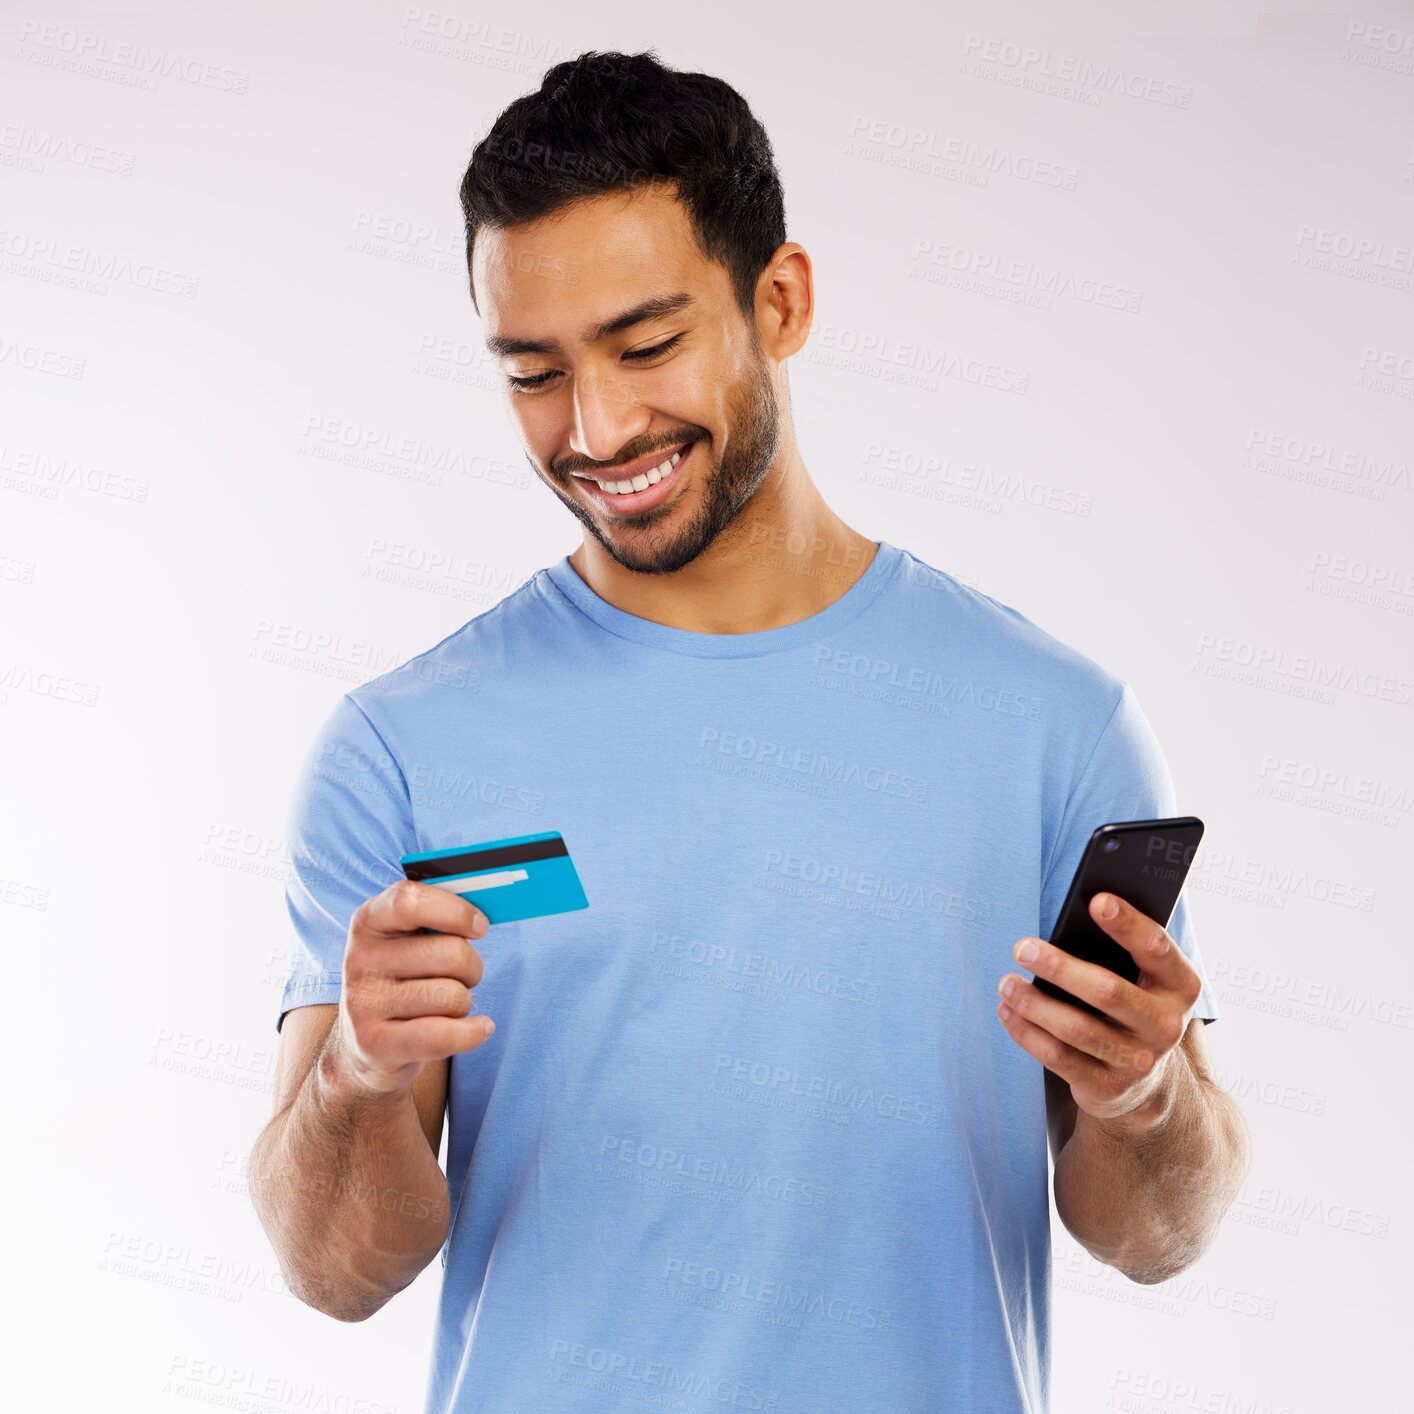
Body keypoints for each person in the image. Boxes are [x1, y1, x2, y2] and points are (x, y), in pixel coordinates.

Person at [250, 49, 1252, 1414]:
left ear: (778, 300)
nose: (595, 427)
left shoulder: (1052, 726)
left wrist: (1143, 1098)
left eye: (645, 345)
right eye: (533, 371)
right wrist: (361, 1075)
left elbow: (1154, 1234)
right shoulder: (403, 746)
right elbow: (333, 1267)